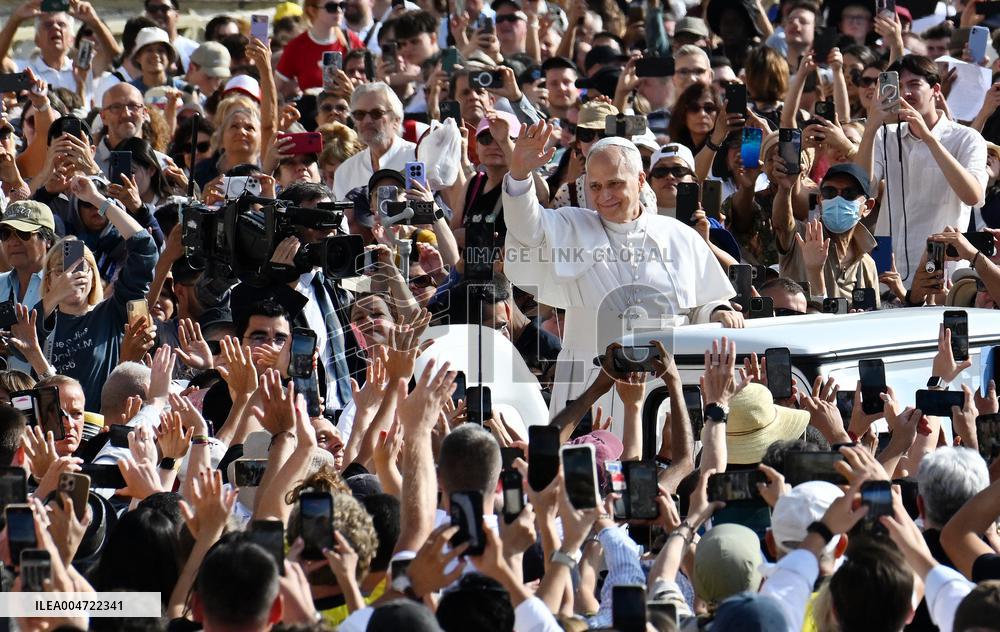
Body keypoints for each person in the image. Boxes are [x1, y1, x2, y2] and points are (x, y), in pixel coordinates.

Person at [503, 122, 739, 420]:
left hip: (661, 387)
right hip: (590, 383)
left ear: (640, 179)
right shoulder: (572, 226)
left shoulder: (678, 235)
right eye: (595, 186)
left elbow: (701, 304)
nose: (604, 195)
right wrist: (520, 176)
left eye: (614, 183)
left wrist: (718, 311)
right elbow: (526, 230)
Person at [855, 55, 989, 283]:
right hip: (887, 264)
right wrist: (871, 127)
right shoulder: (884, 136)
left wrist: (929, 138)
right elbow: (862, 191)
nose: (906, 93)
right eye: (898, 87)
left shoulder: (967, 138)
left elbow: (973, 196)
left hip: (941, 267)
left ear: (936, 90)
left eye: (914, 84)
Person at [773, 162, 880, 304]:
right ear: (820, 200)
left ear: (867, 207)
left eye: (849, 193)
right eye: (830, 192)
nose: (838, 199)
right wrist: (785, 189)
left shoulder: (867, 264)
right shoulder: (803, 238)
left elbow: (872, 315)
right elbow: (781, 225)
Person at [332, 83, 416, 200]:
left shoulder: (417, 157)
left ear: (396, 120)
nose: (367, 120)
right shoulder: (345, 171)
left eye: (376, 113)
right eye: (360, 114)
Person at [276, 0, 365, 94]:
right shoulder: (296, 47)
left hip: (347, 103)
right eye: (331, 7)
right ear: (312, 11)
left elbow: (370, 82)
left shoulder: (351, 41)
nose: (339, 10)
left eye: (342, 5)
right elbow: (273, 89)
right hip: (310, 102)